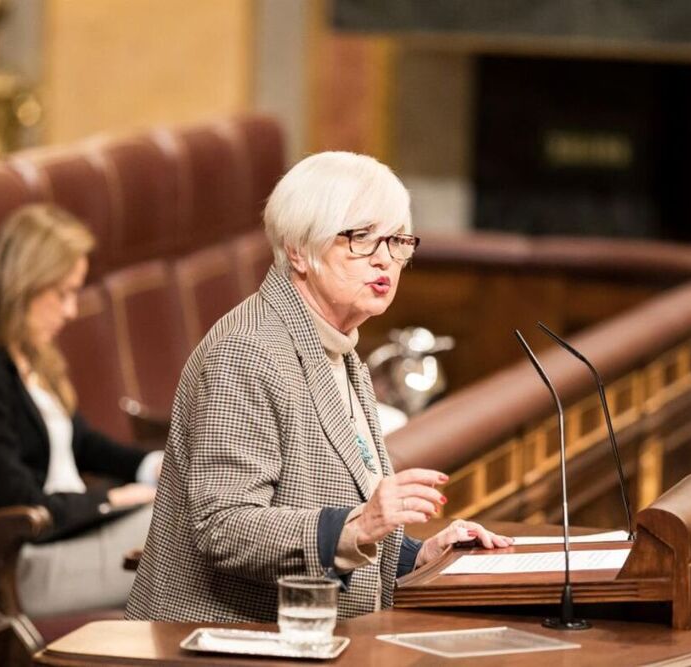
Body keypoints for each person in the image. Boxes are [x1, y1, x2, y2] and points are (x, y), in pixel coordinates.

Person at [127, 151, 511, 623]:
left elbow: (346, 520)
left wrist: (420, 556)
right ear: (297, 250)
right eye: (362, 239)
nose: (386, 261)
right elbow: (224, 527)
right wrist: (361, 523)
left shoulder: (340, 349)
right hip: (220, 642)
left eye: (396, 241)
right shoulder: (247, 352)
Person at [0, 203, 162, 617]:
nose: (70, 311)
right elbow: (17, 501)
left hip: (79, 533)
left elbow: (80, 442)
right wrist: (114, 499)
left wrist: (155, 466)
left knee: (207, 516)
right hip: (28, 562)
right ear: (22, 283)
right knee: (198, 531)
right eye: (62, 293)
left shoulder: (27, 347)